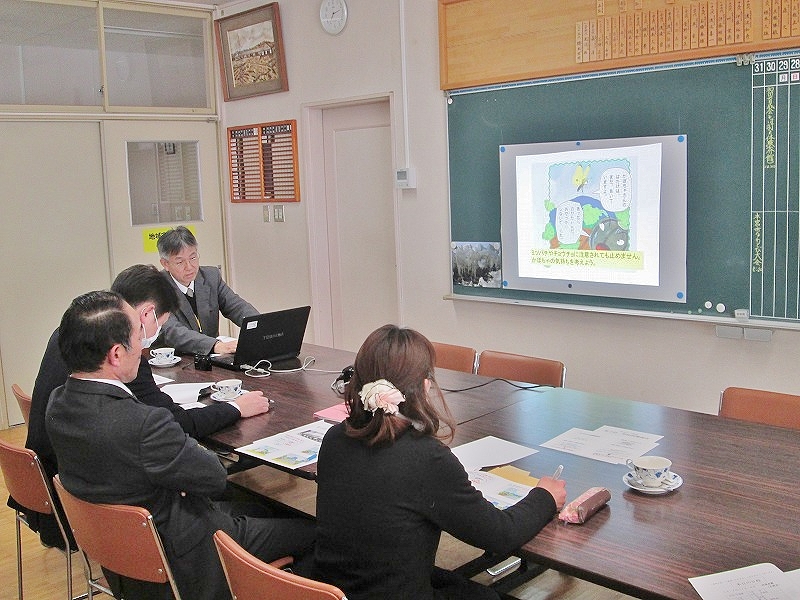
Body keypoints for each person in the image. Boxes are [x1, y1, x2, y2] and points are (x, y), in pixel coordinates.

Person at [45, 291, 315, 600]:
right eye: (138, 336)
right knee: (317, 533)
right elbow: (214, 476)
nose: (144, 345)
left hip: (125, 556)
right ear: (116, 354)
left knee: (259, 506)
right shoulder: (143, 423)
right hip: (186, 554)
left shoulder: (58, 404)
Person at [17, 264, 271, 550]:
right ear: (145, 315)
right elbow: (182, 433)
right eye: (157, 324)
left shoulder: (73, 340)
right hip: (115, 512)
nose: (145, 340)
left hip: (71, 490)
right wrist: (234, 408)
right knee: (238, 498)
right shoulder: (121, 361)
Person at [312, 325, 567, 600]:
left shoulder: (334, 438)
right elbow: (500, 535)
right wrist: (545, 497)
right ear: (424, 387)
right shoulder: (426, 458)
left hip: (335, 591)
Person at [157, 226, 259, 355]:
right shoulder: (157, 288)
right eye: (180, 262)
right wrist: (215, 345)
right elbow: (172, 331)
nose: (189, 267)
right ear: (165, 264)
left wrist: (259, 327)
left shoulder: (211, 276)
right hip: (177, 359)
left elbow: (237, 307)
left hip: (211, 357)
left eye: (193, 258)